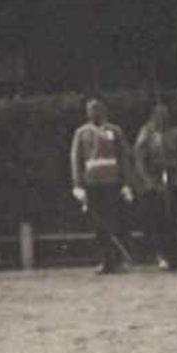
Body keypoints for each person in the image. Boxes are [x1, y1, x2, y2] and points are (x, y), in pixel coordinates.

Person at [69, 97, 138, 273]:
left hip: (113, 182)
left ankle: (118, 260)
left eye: (97, 109)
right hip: (93, 184)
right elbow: (76, 159)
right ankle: (105, 260)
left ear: (104, 111)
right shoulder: (82, 132)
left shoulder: (115, 131)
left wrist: (127, 183)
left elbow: (124, 157)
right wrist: (78, 185)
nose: (94, 112)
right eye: (91, 109)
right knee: (99, 225)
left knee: (116, 221)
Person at [133, 100, 177, 269]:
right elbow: (140, 160)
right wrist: (148, 180)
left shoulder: (176, 134)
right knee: (157, 220)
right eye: (159, 116)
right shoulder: (145, 134)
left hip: (176, 183)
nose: (162, 119)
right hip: (155, 184)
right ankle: (162, 253)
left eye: (165, 115)